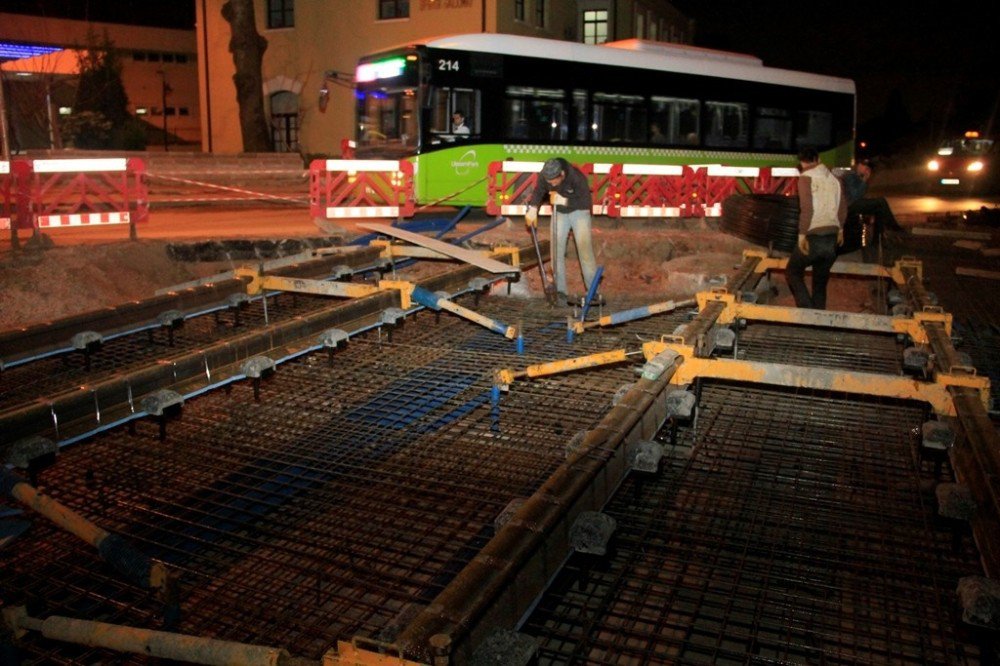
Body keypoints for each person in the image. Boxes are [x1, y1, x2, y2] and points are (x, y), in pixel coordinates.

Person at [525, 158, 598, 303]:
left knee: (585, 251)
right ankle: (561, 291)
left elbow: (585, 202)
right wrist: (533, 208)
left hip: (579, 212)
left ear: (562, 174)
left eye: (554, 182)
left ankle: (593, 292)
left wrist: (565, 201)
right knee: (556, 252)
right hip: (559, 213)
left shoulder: (576, 177)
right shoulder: (545, 175)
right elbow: (539, 191)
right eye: (549, 182)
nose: (551, 185)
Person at [786, 147, 847, 310]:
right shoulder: (835, 179)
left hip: (814, 236)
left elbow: (807, 209)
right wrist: (840, 229)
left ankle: (806, 311)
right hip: (832, 238)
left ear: (802, 162)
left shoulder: (806, 178)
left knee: (793, 271)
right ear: (818, 159)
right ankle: (818, 318)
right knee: (820, 281)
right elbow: (842, 207)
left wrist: (801, 235)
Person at [838, 159, 902, 262]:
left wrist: (864, 180)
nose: (866, 169)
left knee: (879, 208)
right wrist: (864, 180)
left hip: (854, 203)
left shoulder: (856, 176)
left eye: (868, 168)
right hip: (849, 205)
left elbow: (860, 195)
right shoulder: (850, 176)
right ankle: (892, 227)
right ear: (858, 165)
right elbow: (855, 195)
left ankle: (878, 238)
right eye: (864, 166)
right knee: (881, 202)